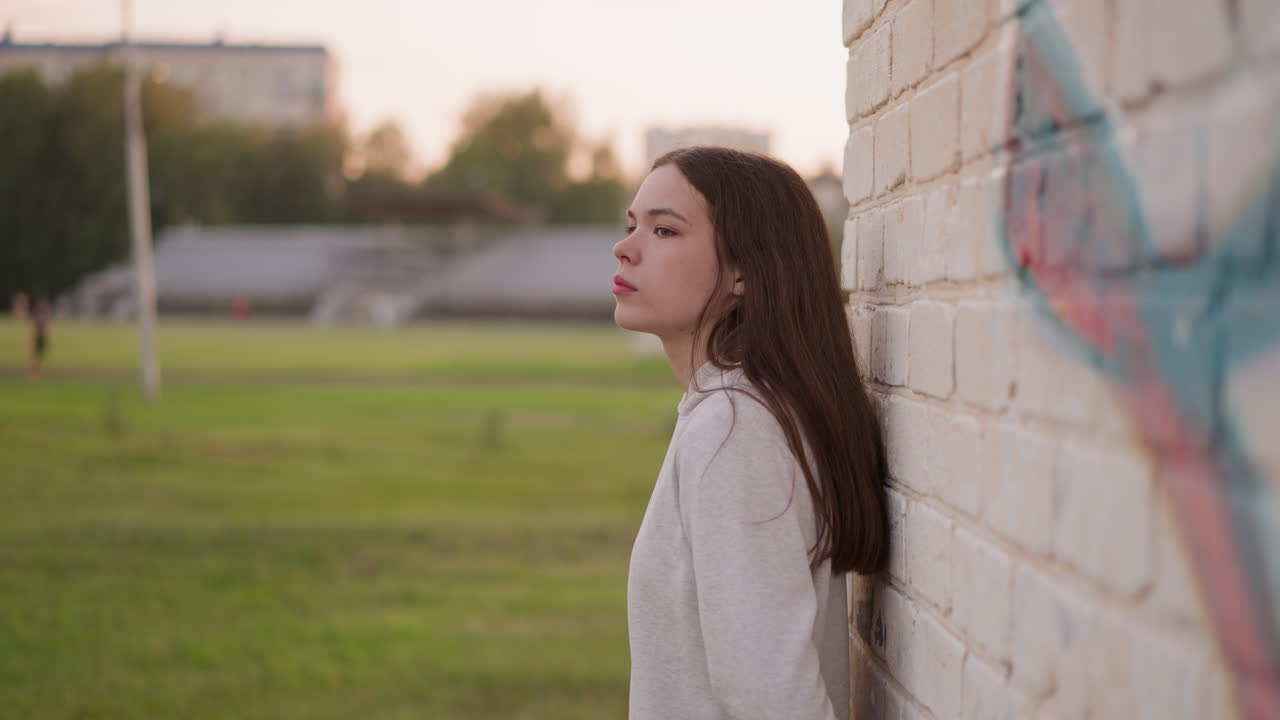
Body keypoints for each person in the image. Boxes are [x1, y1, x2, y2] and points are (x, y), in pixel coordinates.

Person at [614, 146, 888, 720]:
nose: (626, 248)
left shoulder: (733, 428)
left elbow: (772, 698)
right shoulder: (736, 411)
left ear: (743, 270)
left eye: (664, 231)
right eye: (632, 224)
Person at [28, 296, 50, 379]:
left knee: (40, 355)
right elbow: (35, 325)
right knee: (35, 355)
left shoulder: (44, 315)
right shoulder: (38, 315)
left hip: (42, 337)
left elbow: (45, 328)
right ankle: (33, 372)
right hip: (37, 336)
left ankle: (37, 372)